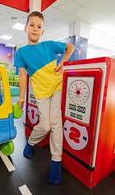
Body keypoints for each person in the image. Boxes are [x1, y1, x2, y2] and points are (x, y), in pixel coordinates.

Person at [14, 11, 75, 184]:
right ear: (26, 28)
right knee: (45, 125)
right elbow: (22, 76)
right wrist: (21, 96)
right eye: (31, 25)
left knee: (56, 124)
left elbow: (70, 47)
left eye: (39, 26)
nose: (35, 29)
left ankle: (56, 161)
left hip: (56, 86)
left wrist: (63, 61)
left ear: (43, 31)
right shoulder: (22, 52)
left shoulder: (48, 45)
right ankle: (30, 143)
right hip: (40, 92)